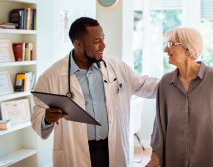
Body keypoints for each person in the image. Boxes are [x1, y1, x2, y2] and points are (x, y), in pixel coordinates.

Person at [31, 17, 159, 167]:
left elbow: (143, 84)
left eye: (103, 39)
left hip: (111, 147)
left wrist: (179, 81)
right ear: (77, 44)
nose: (103, 45)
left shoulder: (115, 67)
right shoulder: (50, 77)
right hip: (75, 151)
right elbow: (38, 116)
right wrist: (46, 118)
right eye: (96, 41)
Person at [146, 27, 213, 167]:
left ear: (187, 48)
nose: (166, 50)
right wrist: (155, 157)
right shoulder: (166, 83)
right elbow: (159, 128)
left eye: (171, 44)